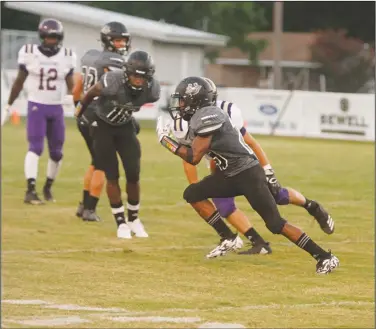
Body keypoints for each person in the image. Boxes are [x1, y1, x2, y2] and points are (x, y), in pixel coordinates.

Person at [157, 76, 339, 274]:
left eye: (183, 100)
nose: (180, 105)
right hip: (230, 175)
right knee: (192, 193)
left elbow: (193, 157)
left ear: (196, 100)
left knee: (275, 224)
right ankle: (228, 236)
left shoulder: (209, 115)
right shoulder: (201, 117)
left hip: (248, 174)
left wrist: (166, 141)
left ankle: (325, 256)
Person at [75, 50, 160, 239]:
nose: (138, 80)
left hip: (125, 127)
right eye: (135, 75)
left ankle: (134, 219)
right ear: (127, 72)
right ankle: (121, 222)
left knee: (133, 173)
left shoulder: (152, 91)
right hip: (103, 127)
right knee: (112, 175)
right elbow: (90, 94)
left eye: (143, 77)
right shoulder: (112, 81)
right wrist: (80, 112)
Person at [4, 18, 76, 204]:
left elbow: (71, 83)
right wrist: (8, 104)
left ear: (59, 38)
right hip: (37, 106)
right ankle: (30, 190)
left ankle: (48, 187)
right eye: (48, 37)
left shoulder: (67, 55)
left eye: (54, 38)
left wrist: (72, 97)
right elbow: (19, 81)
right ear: (42, 37)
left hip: (56, 108)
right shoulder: (30, 53)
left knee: (57, 153)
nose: (51, 41)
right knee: (35, 147)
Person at [73, 21, 132, 222]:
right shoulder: (115, 61)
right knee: (104, 164)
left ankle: (83, 205)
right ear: (108, 40)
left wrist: (79, 109)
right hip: (100, 116)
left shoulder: (90, 56)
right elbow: (115, 91)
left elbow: (77, 87)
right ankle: (90, 209)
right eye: (117, 40)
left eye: (123, 40)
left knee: (96, 161)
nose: (121, 44)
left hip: (85, 113)